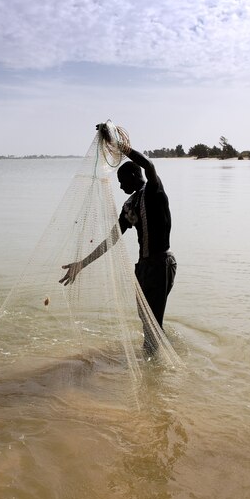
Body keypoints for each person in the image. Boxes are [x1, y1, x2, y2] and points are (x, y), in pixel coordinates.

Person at [59, 125, 177, 354]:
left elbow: (150, 165)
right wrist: (81, 264)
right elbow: (112, 238)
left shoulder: (154, 192)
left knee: (153, 323)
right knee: (146, 321)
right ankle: (157, 359)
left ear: (134, 176)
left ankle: (154, 369)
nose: (121, 186)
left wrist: (116, 144)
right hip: (143, 268)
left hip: (161, 265)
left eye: (123, 181)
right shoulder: (130, 205)